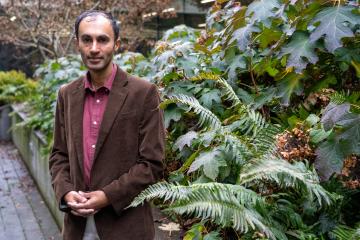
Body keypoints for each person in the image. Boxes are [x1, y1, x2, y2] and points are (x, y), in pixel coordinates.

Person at [49, 10, 165, 240]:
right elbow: (59, 155)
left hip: (126, 227)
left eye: (102, 39)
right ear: (77, 44)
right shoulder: (67, 94)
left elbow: (152, 164)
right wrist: (66, 193)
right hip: (77, 228)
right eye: (86, 39)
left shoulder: (144, 93)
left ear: (117, 44)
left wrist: (107, 196)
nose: (94, 48)